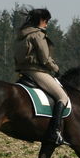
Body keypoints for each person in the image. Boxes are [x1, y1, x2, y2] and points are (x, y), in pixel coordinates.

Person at [14, 8, 68, 145]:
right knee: (62, 97)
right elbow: (44, 59)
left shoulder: (22, 34)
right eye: (46, 21)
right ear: (41, 20)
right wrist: (56, 69)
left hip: (23, 71)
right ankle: (55, 132)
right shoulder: (38, 35)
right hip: (36, 71)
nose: (47, 24)